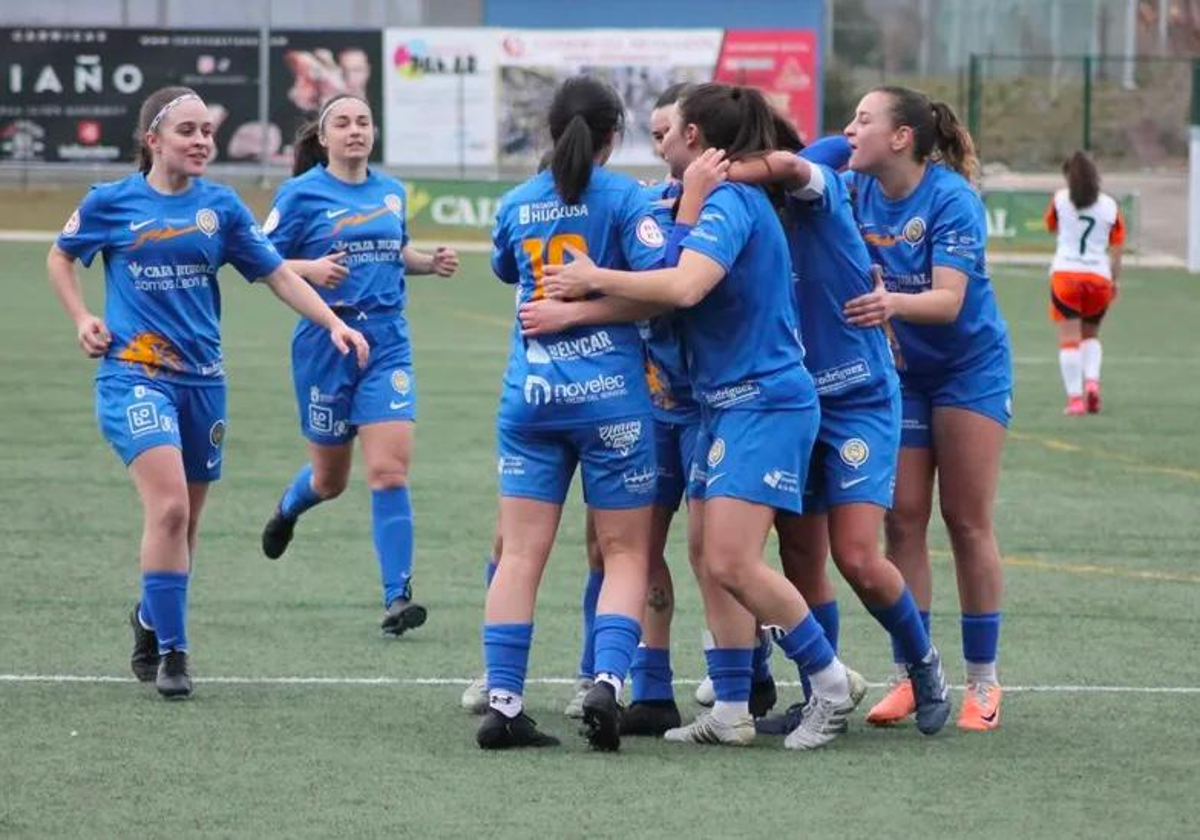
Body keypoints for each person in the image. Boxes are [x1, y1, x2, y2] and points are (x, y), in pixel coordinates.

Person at [543, 83, 865, 751]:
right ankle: (732, 710)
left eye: (669, 130)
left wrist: (591, 278)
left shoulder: (732, 202)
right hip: (723, 405)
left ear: (696, 140)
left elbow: (682, 286)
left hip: (764, 401)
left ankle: (830, 682)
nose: (657, 141)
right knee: (707, 555)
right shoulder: (706, 200)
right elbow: (668, 276)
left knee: (732, 559)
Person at [46, 86, 370, 700]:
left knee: (187, 524)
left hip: (204, 384)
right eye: (187, 131)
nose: (201, 142)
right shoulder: (110, 202)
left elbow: (276, 272)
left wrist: (332, 321)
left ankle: (149, 615)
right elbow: (61, 259)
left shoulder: (220, 208)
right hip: (133, 377)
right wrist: (81, 318)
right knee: (167, 508)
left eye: (207, 133)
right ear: (153, 140)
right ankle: (173, 651)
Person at [712, 122, 952, 738]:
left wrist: (719, 170)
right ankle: (821, 694)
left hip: (857, 396)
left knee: (857, 555)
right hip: (791, 402)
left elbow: (803, 163)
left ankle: (921, 661)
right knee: (799, 557)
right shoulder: (739, 214)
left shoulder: (815, 192)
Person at [477, 76, 666, 752]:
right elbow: (658, 293)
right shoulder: (628, 201)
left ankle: (502, 702)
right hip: (611, 401)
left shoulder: (516, 202)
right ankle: (608, 685)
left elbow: (507, 268)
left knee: (520, 554)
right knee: (624, 553)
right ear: (616, 135)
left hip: (531, 398)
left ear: (551, 132)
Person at [842, 86, 1012, 731]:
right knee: (902, 522)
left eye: (864, 119)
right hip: (902, 375)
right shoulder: (855, 187)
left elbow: (946, 302)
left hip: (969, 371)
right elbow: (810, 159)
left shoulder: (951, 199)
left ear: (902, 138)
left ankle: (983, 683)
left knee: (965, 521)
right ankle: (912, 674)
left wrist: (889, 305)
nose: (849, 130)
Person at [258, 94, 458, 637]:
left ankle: (397, 596)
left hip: (387, 341)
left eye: (363, 122)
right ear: (324, 137)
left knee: (389, 470)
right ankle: (288, 509)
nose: (355, 130)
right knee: (330, 480)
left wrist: (426, 262)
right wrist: (311, 268)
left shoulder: (391, 192)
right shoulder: (301, 194)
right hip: (326, 342)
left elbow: (392, 253)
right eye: (342, 123)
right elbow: (261, 261)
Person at [1045, 150, 1124, 415]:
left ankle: (1076, 399)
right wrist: (1114, 280)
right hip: (1099, 277)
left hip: (1066, 275)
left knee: (1069, 339)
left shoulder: (1060, 200)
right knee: (1091, 335)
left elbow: (1052, 227)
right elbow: (1116, 248)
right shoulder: (1110, 206)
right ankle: (1092, 383)